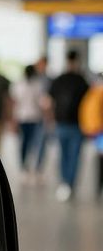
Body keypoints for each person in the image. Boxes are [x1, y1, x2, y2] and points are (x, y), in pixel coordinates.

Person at [48, 50, 91, 201]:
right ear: (77, 61)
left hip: (62, 123)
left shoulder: (59, 79)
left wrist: (51, 120)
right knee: (74, 156)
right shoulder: (82, 81)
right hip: (77, 124)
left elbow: (50, 103)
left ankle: (65, 183)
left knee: (64, 155)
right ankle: (69, 184)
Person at [11, 63, 48, 181]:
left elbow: (42, 102)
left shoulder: (37, 85)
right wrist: (13, 120)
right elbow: (15, 103)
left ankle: (33, 167)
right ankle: (24, 167)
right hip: (23, 118)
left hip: (35, 118)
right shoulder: (19, 85)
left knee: (33, 143)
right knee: (25, 143)